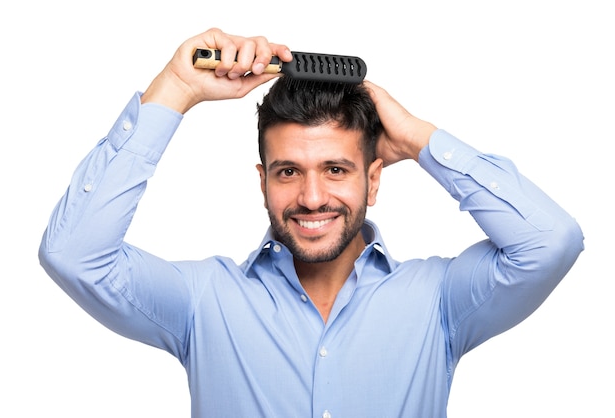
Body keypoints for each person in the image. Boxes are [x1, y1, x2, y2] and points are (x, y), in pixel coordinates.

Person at [39, 27, 584, 418]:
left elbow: (550, 241)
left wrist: (419, 138)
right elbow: (73, 253)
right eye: (288, 172)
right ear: (262, 182)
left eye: (336, 169)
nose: (312, 197)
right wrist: (175, 90)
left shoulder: (440, 300)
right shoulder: (203, 301)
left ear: (374, 180)